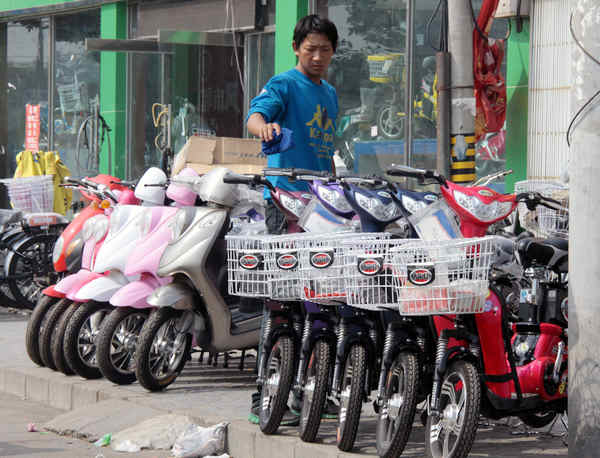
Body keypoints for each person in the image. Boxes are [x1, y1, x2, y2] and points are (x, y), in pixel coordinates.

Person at [246, 14, 339, 426]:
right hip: (283, 201)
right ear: (296, 48)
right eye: (311, 48)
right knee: (282, 298)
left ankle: (309, 388)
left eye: (325, 49)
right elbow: (255, 115)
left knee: (318, 298)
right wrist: (264, 128)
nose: (318, 56)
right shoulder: (284, 84)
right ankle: (262, 392)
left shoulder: (331, 93)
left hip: (321, 205)